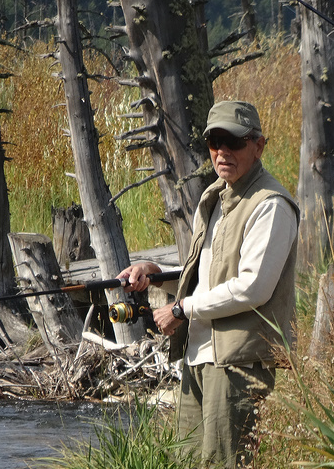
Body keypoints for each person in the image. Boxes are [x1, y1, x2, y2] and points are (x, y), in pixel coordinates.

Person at [117, 100, 300, 467]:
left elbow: (252, 288)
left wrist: (181, 309)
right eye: (215, 142)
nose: (223, 151)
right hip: (198, 356)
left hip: (238, 363)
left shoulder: (271, 205)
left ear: (258, 145)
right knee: (184, 461)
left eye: (234, 142)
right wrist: (153, 275)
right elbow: (206, 277)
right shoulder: (216, 198)